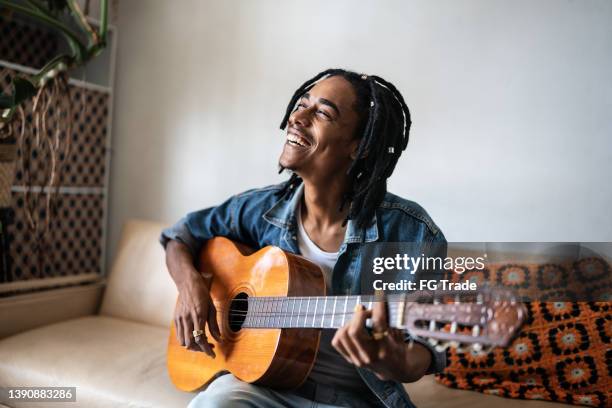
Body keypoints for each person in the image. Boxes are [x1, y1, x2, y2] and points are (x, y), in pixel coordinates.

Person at [160, 68, 447, 408]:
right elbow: (180, 235)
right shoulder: (262, 208)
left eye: (323, 112)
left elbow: (423, 354)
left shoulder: (412, 233)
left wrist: (386, 359)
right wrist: (190, 285)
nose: (298, 116)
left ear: (359, 147)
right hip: (263, 388)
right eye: (302, 104)